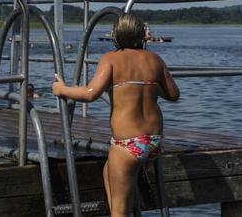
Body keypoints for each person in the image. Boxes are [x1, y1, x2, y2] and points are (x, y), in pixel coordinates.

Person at [52, 13, 179, 217]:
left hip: (127, 145)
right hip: (153, 142)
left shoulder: (111, 59)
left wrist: (61, 89)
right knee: (108, 173)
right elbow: (173, 94)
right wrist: (150, 85)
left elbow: (90, 93)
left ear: (116, 36)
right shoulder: (155, 60)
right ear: (141, 35)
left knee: (119, 212)